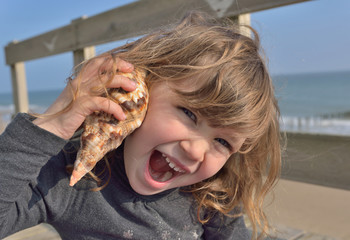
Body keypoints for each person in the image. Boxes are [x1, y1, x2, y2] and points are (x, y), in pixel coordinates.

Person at [0, 12, 282, 240]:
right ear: (144, 89)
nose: (196, 151)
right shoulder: (68, 181)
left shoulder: (211, 197)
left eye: (222, 142)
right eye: (189, 113)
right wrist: (55, 122)